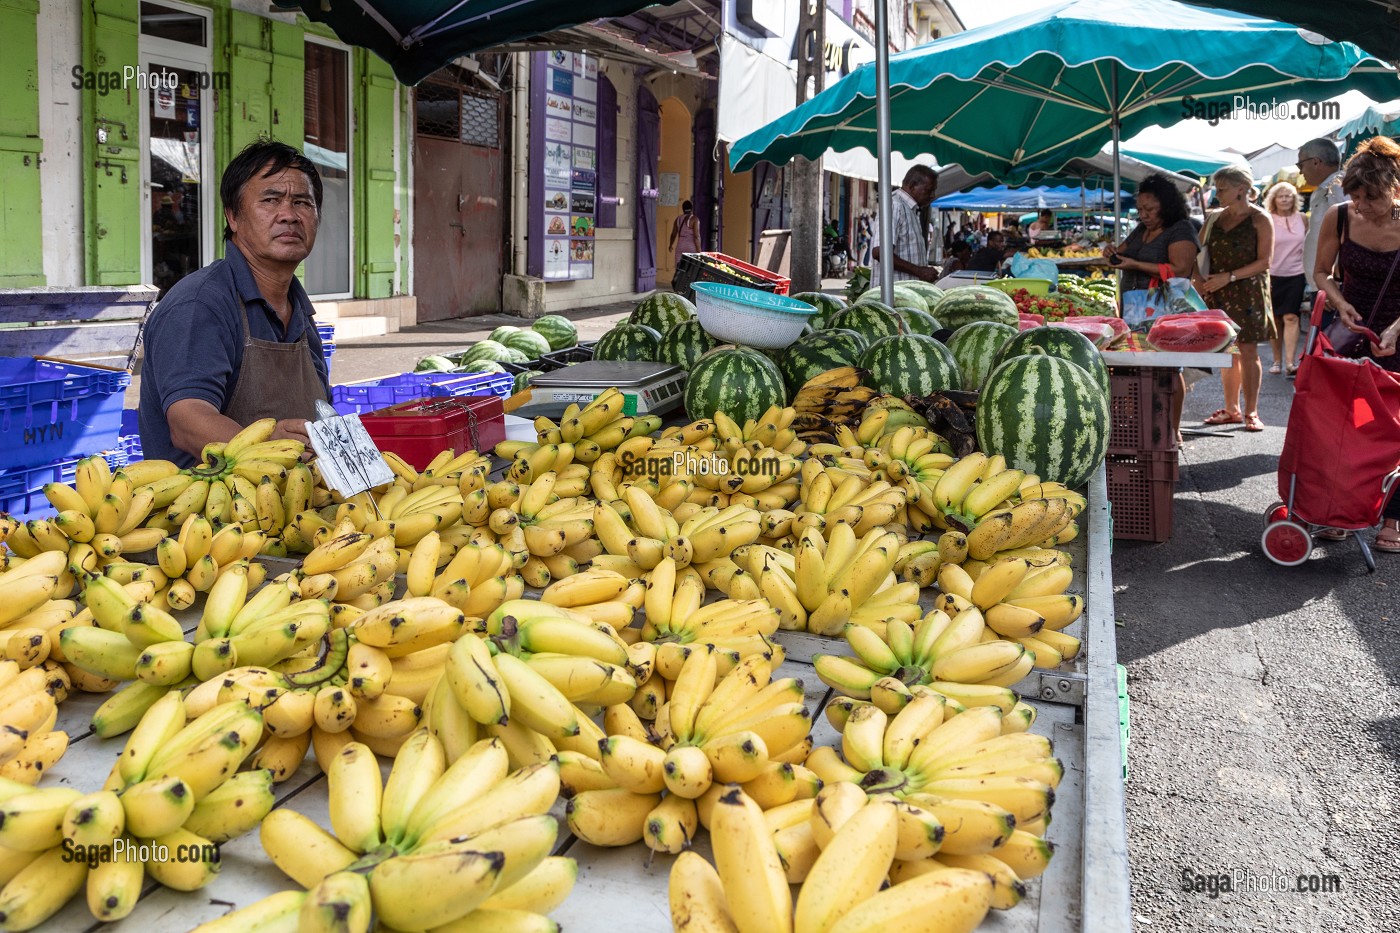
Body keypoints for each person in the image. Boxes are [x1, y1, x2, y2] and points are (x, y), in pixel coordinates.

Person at [138, 140, 331, 468]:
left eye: (302, 202)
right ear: (233, 216)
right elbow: (188, 421)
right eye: (270, 200)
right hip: (205, 511)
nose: (289, 215)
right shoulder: (200, 305)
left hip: (290, 507)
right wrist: (267, 446)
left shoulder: (297, 308)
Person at [1312, 135, 1400, 552]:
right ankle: (1342, 509)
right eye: (1355, 196)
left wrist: (1397, 328)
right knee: (1344, 425)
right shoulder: (1340, 216)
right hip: (1350, 334)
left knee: (1395, 428)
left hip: (1397, 334)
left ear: (1393, 188)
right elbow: (1321, 273)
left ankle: (1394, 518)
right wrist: (1340, 302)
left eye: (1370, 197)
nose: (1361, 205)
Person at [1101, 173, 1200, 442]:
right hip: (1135, 310)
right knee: (1137, 368)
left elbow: (1179, 270)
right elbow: (1122, 253)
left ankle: (1172, 428)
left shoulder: (1181, 229)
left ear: (1166, 205)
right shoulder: (1141, 230)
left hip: (1164, 312)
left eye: (1150, 209)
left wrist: (1133, 264)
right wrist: (1111, 252)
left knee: (1169, 368)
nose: (1144, 214)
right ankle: (1142, 426)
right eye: (1141, 209)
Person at [1196, 165, 1275, 432]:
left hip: (1247, 289)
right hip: (1218, 288)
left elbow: (1264, 262)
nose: (1217, 194)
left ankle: (1251, 411)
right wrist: (1198, 280)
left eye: (1222, 189)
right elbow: (1199, 253)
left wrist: (1228, 277)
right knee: (1229, 351)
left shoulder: (1260, 218)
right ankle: (1232, 409)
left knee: (1249, 349)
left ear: (1241, 189)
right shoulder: (1214, 218)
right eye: (1216, 189)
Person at [1263, 182, 1308, 376]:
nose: (1284, 199)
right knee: (1275, 319)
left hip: (1296, 273)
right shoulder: (1267, 219)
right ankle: (1276, 360)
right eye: (1280, 196)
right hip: (1271, 273)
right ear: (1273, 199)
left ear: (1294, 199)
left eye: (1288, 196)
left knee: (1291, 316)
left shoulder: (1303, 219)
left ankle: (1290, 362)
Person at [870, 165, 940, 285]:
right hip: (893, 296)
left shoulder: (910, 210)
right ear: (913, 186)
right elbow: (880, 252)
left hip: (905, 294)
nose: (932, 195)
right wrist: (919, 271)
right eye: (929, 190)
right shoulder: (895, 206)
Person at [669, 199, 702, 268]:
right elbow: (696, 236)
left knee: (679, 269)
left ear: (683, 209)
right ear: (692, 209)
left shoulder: (678, 219)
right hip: (691, 247)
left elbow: (673, 234)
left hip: (680, 246)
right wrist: (699, 252)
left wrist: (670, 245)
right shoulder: (695, 219)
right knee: (691, 269)